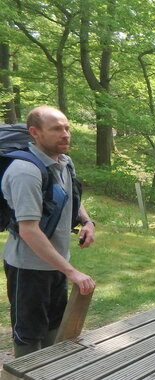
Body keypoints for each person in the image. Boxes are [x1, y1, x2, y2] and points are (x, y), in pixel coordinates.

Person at [2, 106, 96, 358]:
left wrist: (87, 222)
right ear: (35, 132)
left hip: (57, 263)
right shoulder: (25, 172)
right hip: (28, 267)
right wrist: (71, 272)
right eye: (56, 129)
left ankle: (52, 377)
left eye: (66, 128)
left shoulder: (64, 162)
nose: (65, 134)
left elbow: (70, 197)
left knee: (55, 324)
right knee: (29, 333)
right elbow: (29, 231)